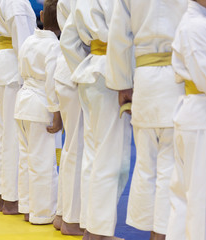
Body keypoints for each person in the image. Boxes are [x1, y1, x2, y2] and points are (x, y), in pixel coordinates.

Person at [106, 0, 187, 239]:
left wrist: (122, 83)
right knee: (172, 166)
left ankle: (154, 230)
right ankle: (163, 232)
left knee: (146, 162)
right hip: (178, 79)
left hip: (144, 79)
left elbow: (119, 35)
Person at [60, 0, 132, 239]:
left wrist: (79, 69)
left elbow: (68, 39)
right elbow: (124, 34)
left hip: (89, 73)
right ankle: (99, 231)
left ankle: (90, 225)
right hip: (112, 73)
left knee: (92, 155)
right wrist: (126, 79)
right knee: (110, 157)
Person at [0, 0, 36, 214]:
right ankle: (11, 197)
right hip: (13, 70)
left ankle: (1, 192)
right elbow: (24, 45)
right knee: (12, 136)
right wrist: (30, 75)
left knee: (1, 133)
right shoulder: (16, 3)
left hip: (0, 67)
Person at [14, 0, 61, 224]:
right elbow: (52, 82)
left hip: (22, 103)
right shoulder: (54, 46)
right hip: (41, 104)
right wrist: (57, 112)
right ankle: (42, 213)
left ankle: (26, 206)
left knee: (26, 159)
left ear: (40, 15)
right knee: (43, 162)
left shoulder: (29, 40)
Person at [167, 1, 206, 239]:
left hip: (195, 115)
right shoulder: (195, 25)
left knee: (183, 198)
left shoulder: (197, 22)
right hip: (199, 116)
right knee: (199, 199)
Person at [52, 0, 84, 235]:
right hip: (77, 68)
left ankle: (63, 213)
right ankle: (72, 218)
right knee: (78, 146)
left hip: (67, 68)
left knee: (71, 145)